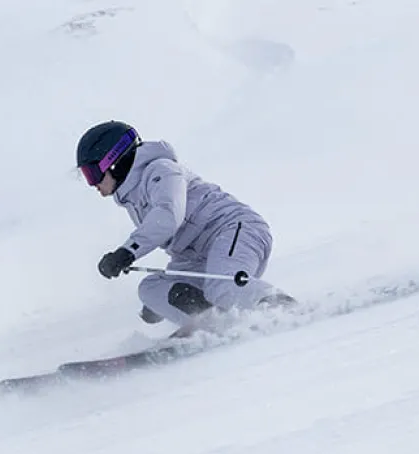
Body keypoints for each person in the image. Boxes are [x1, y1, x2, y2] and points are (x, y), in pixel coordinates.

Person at [76, 120, 291, 333]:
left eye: (92, 173)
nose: (93, 184)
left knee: (222, 288)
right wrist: (165, 301)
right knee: (150, 289)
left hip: (233, 229)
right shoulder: (131, 198)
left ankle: (288, 310)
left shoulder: (161, 170)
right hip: (196, 257)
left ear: (113, 161)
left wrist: (127, 252)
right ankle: (213, 322)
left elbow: (168, 216)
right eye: (86, 176)